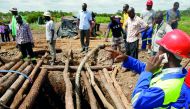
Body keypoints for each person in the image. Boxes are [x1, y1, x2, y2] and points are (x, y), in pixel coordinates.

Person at [107, 29, 190, 109]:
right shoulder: (171, 70)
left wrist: (147, 72)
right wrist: (126, 59)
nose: (157, 53)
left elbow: (137, 100)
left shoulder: (168, 86)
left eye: (159, 50)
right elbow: (146, 68)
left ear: (166, 55)